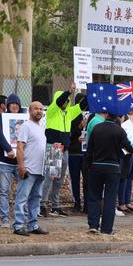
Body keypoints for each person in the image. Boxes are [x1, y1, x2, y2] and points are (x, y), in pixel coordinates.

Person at [42, 83, 87, 218]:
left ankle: (55, 206)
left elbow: (83, 105)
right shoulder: (52, 111)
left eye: (68, 101)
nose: (66, 102)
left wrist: (91, 93)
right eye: (65, 100)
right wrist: (68, 91)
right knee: (49, 178)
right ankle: (42, 204)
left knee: (59, 179)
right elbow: (60, 100)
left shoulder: (69, 113)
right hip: (54, 147)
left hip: (65, 150)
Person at [86, 113, 132, 234]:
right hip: (113, 168)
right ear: (117, 117)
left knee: (94, 196)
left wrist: (89, 166)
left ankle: (93, 225)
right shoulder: (119, 131)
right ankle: (106, 229)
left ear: (106, 115)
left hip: (96, 167)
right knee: (110, 198)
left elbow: (89, 149)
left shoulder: (97, 128)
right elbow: (130, 148)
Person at [12, 102, 49, 236]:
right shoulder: (26, 126)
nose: (39, 111)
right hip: (28, 169)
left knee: (36, 198)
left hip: (40, 170)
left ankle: (33, 224)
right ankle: (18, 225)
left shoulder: (40, 127)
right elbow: (20, 147)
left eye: (41, 109)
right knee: (22, 197)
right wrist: (21, 166)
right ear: (30, 110)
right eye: (36, 109)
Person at [0, 94, 23, 228]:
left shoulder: (25, 119)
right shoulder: (2, 118)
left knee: (23, 191)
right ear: (8, 106)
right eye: (12, 104)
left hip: (21, 162)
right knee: (3, 191)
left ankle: (21, 218)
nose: (15, 106)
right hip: (4, 161)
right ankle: (5, 219)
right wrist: (8, 149)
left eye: (17, 104)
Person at [68, 94, 88, 213]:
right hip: (74, 152)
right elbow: (68, 134)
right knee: (75, 179)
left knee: (87, 179)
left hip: (85, 153)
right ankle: (76, 202)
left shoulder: (89, 115)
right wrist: (78, 130)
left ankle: (87, 203)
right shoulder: (72, 115)